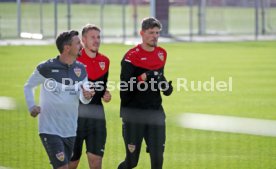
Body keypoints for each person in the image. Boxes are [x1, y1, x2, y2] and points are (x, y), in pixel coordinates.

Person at [24, 30, 95, 169]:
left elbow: (84, 98)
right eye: (78, 43)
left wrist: (87, 96)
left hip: (70, 130)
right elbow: (28, 86)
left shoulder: (81, 69)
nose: (82, 45)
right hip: (50, 130)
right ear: (67, 48)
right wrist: (31, 106)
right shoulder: (46, 67)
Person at [117, 17, 173, 169]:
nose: (155, 36)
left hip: (155, 113)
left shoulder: (162, 53)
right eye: (151, 32)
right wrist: (143, 77)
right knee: (131, 162)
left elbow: (158, 76)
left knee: (157, 160)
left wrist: (165, 85)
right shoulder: (130, 57)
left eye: (157, 33)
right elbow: (125, 87)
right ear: (141, 33)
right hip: (134, 115)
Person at [69, 24, 111, 169]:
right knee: (71, 163)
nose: (96, 40)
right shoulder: (73, 60)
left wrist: (106, 94)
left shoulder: (105, 61)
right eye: (92, 37)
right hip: (75, 119)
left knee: (96, 162)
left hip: (96, 118)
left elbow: (102, 88)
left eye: (98, 37)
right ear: (83, 40)